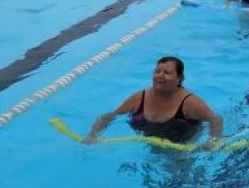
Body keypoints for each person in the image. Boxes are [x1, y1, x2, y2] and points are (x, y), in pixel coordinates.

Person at [84, 56, 223, 145]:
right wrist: (92, 136)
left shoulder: (189, 103)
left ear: (179, 78)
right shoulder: (140, 98)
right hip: (150, 146)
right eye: (157, 71)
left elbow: (215, 119)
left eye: (167, 73)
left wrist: (213, 140)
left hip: (181, 149)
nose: (160, 76)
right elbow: (108, 116)